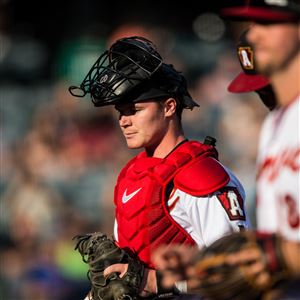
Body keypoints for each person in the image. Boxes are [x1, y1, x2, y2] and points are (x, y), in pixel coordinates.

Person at [69, 36, 250, 297]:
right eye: (121, 111)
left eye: (134, 109)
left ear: (169, 106)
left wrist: (156, 281)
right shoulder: (131, 175)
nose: (124, 121)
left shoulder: (202, 176)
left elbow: (236, 269)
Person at [153, 0, 300, 298]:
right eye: (261, 92)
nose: (254, 35)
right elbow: (275, 239)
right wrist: (207, 261)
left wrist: (281, 256)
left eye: (268, 24)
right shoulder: (275, 126)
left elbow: (280, 252)